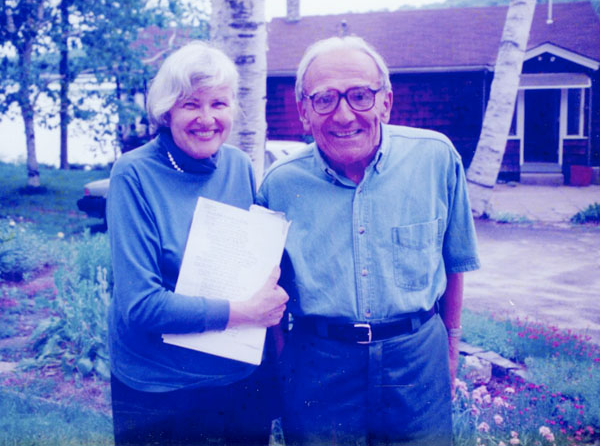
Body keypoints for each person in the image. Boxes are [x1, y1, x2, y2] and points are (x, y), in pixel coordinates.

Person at [258, 36, 480, 446]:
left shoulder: (436, 159)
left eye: (360, 95)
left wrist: (451, 347)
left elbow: (455, 263)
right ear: (304, 113)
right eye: (324, 99)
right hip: (319, 367)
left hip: (417, 360)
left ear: (386, 102)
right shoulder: (279, 185)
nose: (344, 115)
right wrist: (286, 365)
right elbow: (268, 290)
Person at [107, 40, 289, 446]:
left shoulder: (239, 166)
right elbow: (140, 306)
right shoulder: (132, 175)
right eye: (191, 104)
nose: (206, 119)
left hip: (238, 377)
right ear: (167, 110)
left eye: (219, 104)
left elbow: (251, 262)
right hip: (161, 387)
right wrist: (243, 312)